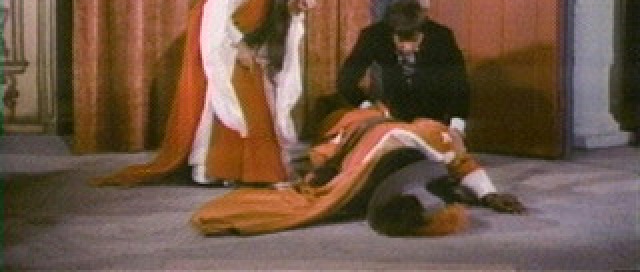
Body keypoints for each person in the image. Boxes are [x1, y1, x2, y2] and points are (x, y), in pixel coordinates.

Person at [92, 0, 331, 187]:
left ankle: (238, 169)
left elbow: (266, 25)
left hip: (242, 44)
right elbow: (214, 10)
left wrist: (294, 10)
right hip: (218, 38)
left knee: (255, 102)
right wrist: (237, 44)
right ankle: (214, 168)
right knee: (231, 98)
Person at [190, 104, 525, 236]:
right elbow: (461, 161)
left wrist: (488, 193)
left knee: (334, 157)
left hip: (366, 141)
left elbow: (324, 159)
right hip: (372, 141)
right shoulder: (436, 139)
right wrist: (488, 194)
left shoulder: (430, 135)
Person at [337, 0, 470, 146]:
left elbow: (459, 85)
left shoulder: (441, 37)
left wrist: (456, 126)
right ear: (391, 33)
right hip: (392, 113)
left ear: (422, 32)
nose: (407, 47)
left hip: (433, 113)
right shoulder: (374, 36)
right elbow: (346, 80)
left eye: (413, 40)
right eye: (401, 40)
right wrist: (369, 107)